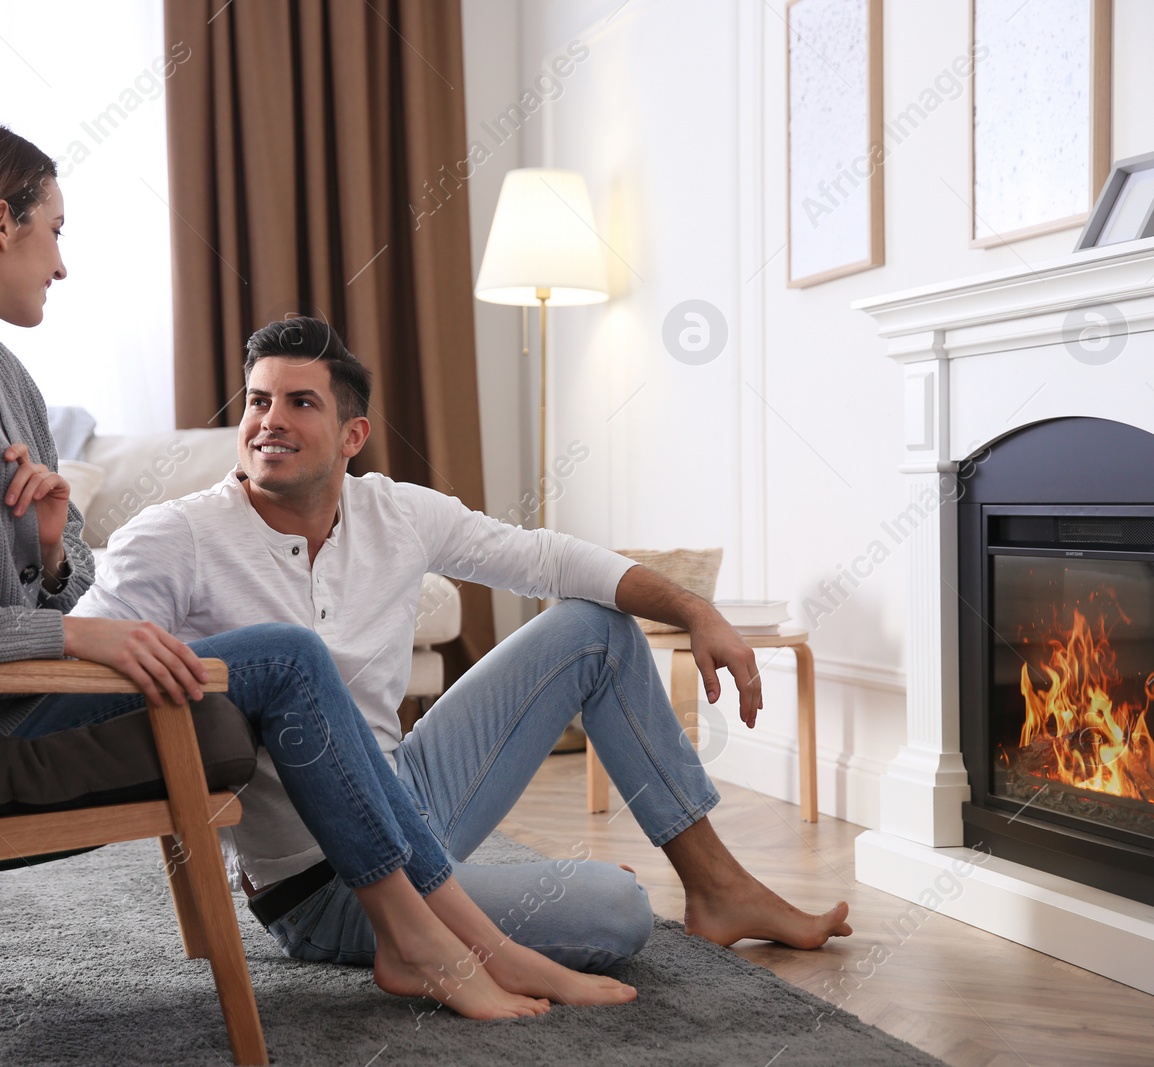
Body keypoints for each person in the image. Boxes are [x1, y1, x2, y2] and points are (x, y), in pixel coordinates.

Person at [0, 118, 636, 1019]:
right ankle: (441, 941)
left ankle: (450, 940)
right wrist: (68, 628)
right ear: (0, 222)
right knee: (284, 652)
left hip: (24, 687)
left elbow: (67, 588)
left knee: (284, 655)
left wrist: (49, 555)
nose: (61, 262)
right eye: (56, 229)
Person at [74, 316, 855, 972]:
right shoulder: (175, 535)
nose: (268, 420)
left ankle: (716, 883)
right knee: (617, 911)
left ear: (353, 434)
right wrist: (49, 557)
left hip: (408, 790)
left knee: (594, 627)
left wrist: (693, 608)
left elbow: (547, 558)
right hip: (324, 880)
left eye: (298, 401)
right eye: (257, 400)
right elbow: (85, 655)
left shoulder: (395, 512)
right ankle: (517, 894)